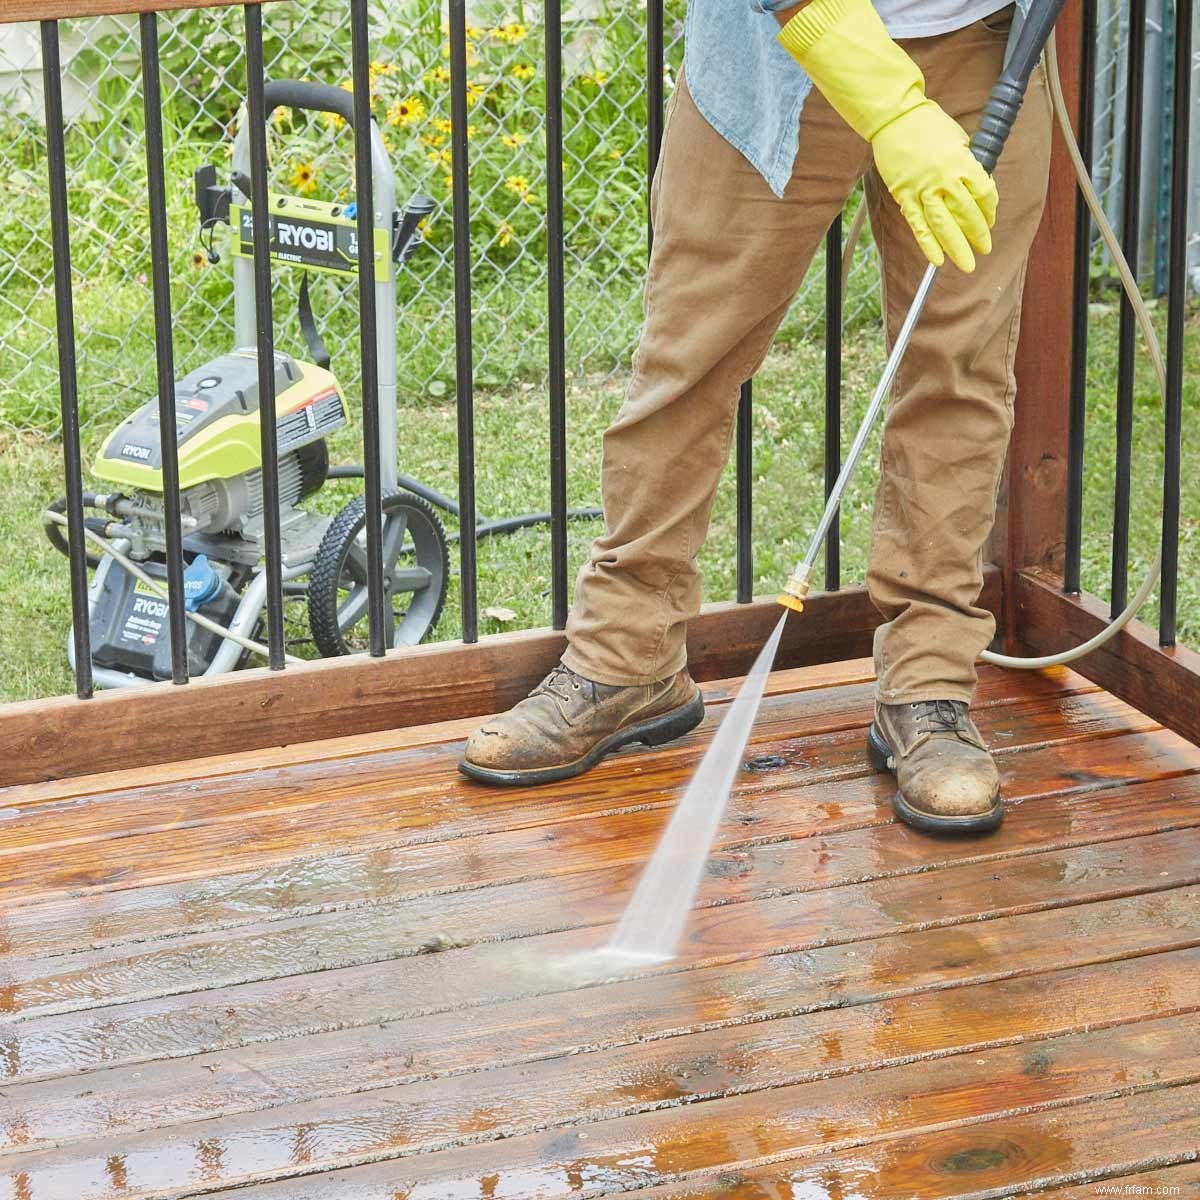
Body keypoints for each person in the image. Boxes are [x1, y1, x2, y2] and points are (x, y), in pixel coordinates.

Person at [460, 0, 1052, 836]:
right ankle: (624, 659)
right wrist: (891, 108)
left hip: (979, 51)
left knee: (957, 374)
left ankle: (929, 684)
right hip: (782, 56)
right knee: (688, 362)